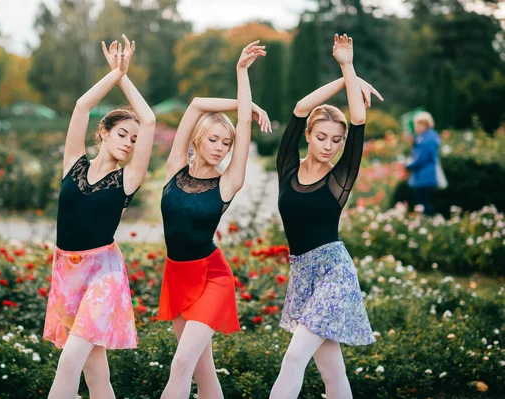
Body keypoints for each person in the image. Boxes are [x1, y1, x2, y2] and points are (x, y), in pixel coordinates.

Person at [270, 34, 383, 399]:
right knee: (333, 374)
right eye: (321, 137)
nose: (329, 146)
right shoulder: (286, 166)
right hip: (303, 273)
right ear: (307, 136)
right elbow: (302, 106)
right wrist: (343, 78)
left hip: (334, 272)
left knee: (293, 359)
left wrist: (349, 66)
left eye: (336, 140)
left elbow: (359, 118)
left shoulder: (340, 178)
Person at [43, 35, 156, 399]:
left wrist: (125, 76)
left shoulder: (128, 179)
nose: (129, 142)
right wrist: (113, 73)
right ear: (104, 133)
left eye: (134, 140)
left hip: (103, 274)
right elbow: (80, 107)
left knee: (70, 362)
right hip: (67, 270)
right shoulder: (73, 164)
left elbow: (150, 120)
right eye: (123, 134)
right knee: (97, 375)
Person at [157, 40, 270, 399]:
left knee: (180, 365)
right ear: (198, 139)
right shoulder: (175, 167)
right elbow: (195, 105)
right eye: (215, 140)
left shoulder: (227, 182)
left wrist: (242, 73)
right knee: (203, 374)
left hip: (211, 278)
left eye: (227, 143)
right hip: (176, 276)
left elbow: (243, 129)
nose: (221, 147)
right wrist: (245, 106)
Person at [406, 111, 441, 216]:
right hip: (422, 175)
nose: (416, 127)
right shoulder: (424, 137)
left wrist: (409, 165)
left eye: (417, 124)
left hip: (425, 175)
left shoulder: (428, 139)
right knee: (423, 201)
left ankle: (431, 222)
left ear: (425, 124)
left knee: (423, 203)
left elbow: (422, 158)